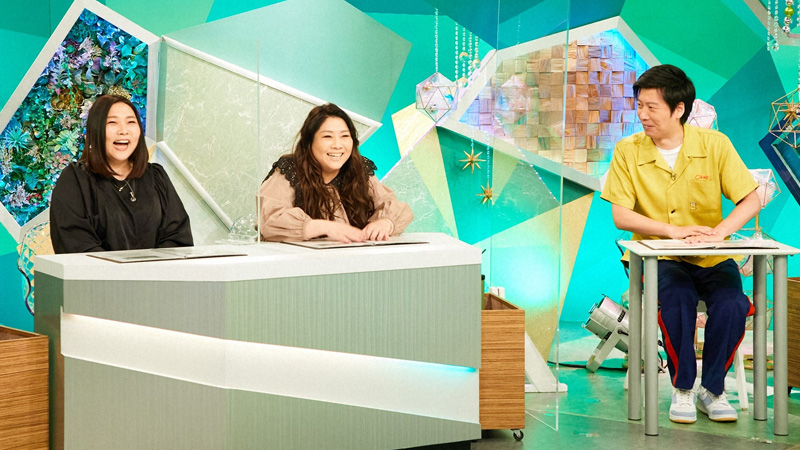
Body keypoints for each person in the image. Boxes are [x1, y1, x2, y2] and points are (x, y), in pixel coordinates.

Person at [601, 65, 760, 424]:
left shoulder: (715, 145)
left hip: (710, 257)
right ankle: (683, 387)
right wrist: (671, 231)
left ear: (679, 109)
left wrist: (720, 232)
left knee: (733, 304)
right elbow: (621, 216)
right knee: (677, 299)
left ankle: (713, 390)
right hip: (659, 258)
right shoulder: (627, 151)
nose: (643, 115)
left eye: (652, 107)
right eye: (639, 106)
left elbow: (750, 200)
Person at [50, 94, 193, 253]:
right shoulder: (76, 179)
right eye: (112, 122)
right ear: (95, 130)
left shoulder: (156, 175)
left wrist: (150, 267)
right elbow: (76, 244)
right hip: (98, 270)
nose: (123, 131)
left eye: (131, 122)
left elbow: (178, 237)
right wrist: (125, 269)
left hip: (158, 269)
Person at [259, 103, 413, 243]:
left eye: (345, 136)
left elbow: (393, 206)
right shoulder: (290, 169)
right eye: (327, 136)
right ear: (309, 142)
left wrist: (385, 223)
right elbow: (269, 222)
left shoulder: (358, 168)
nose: (337, 145)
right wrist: (325, 227)